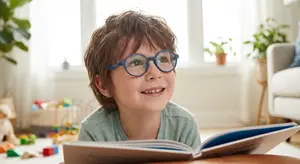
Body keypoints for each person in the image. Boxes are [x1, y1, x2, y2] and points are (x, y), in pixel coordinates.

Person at [78, 10, 201, 150]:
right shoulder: (94, 132)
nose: (155, 73)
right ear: (104, 85)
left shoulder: (184, 125)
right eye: (136, 63)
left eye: (163, 59)